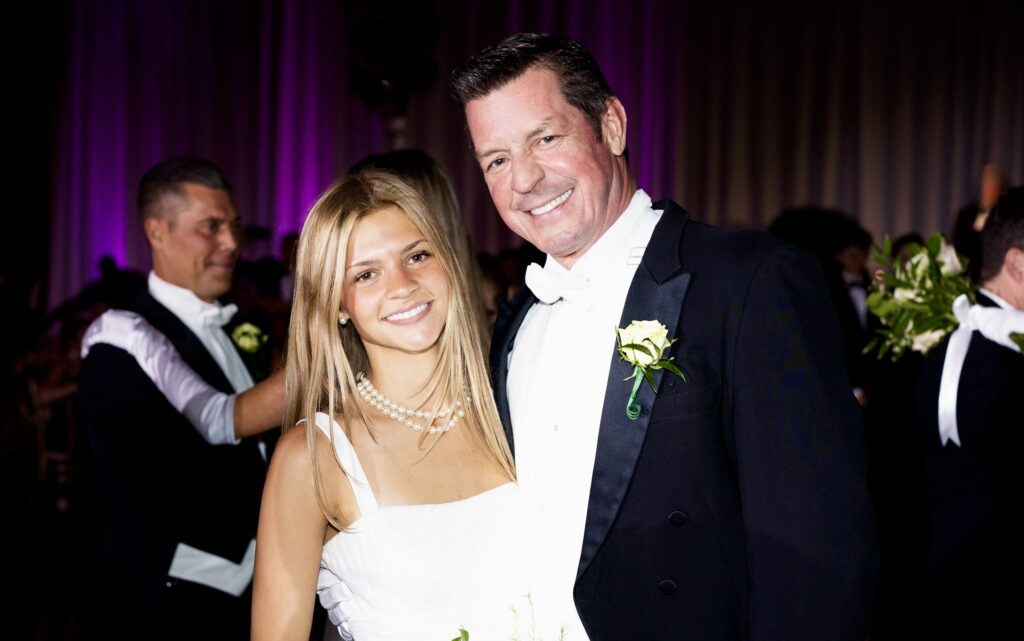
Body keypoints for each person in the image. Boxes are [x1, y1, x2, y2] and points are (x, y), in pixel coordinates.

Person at [451, 33, 877, 640]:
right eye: (496, 160)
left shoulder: (747, 282)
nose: (524, 179)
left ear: (612, 126)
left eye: (545, 139)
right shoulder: (516, 323)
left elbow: (816, 556)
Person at [252, 170, 534, 641]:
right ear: (337, 304)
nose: (402, 285)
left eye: (417, 256)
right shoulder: (314, 456)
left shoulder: (515, 409)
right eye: (366, 274)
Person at [77, 157, 272, 640]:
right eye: (211, 227)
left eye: (233, 226)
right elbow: (151, 480)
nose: (232, 243)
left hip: (262, 583)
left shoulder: (244, 325)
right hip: (181, 600)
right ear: (157, 232)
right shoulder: (120, 343)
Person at [909, 187, 1023, 639]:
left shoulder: (939, 339)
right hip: (984, 589)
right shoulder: (1006, 362)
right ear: (1018, 264)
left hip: (933, 583)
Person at [952, 163, 1009, 282]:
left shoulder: (1006, 218)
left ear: (1000, 189)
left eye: (990, 184)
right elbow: (957, 247)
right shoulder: (966, 215)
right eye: (984, 183)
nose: (985, 189)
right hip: (966, 276)